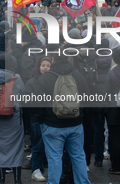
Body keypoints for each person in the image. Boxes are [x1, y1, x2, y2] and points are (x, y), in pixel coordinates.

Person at [34, 49, 91, 184]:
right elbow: (88, 98)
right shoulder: (77, 75)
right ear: (68, 59)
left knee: (54, 158)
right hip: (75, 123)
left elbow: (37, 103)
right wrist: (80, 114)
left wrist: (41, 120)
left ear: (53, 60)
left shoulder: (45, 78)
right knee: (78, 156)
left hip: (52, 124)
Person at [0, 53, 25, 184]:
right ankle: (17, 178)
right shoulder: (17, 78)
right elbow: (22, 95)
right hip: (14, 118)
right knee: (16, 147)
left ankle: (1, 178)